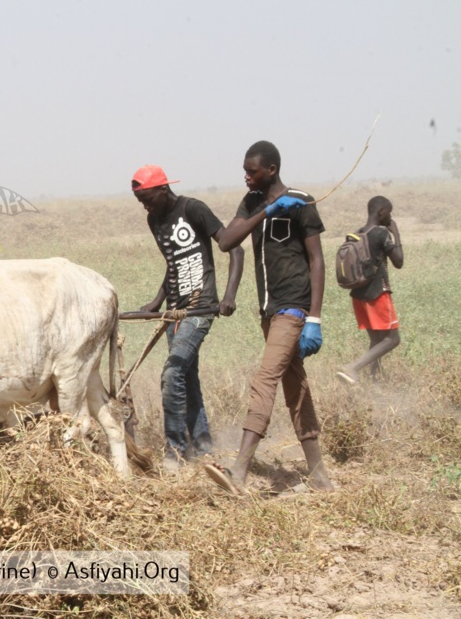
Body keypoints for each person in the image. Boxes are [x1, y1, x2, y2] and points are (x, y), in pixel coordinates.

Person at [206, 140, 335, 494]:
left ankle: (239, 472)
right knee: (296, 387)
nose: (246, 176)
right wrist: (267, 210)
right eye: (245, 170)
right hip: (268, 310)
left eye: (252, 171)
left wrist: (314, 318)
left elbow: (317, 261)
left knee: (265, 379)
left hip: (293, 308)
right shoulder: (252, 203)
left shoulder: (302, 202)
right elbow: (227, 241)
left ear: (272, 170)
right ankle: (320, 476)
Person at [132, 165, 244, 472]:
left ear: (163, 190)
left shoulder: (193, 208)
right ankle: (204, 447)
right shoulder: (154, 219)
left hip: (200, 308)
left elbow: (235, 251)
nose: (145, 205)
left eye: (147, 198)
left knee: (172, 374)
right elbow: (174, 263)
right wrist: (157, 302)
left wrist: (229, 296)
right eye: (140, 200)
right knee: (187, 378)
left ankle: (176, 452)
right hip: (175, 312)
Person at [337, 196, 404, 383]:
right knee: (392, 339)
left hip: (358, 296)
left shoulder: (358, 234)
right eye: (389, 212)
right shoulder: (381, 234)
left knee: (376, 341)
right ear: (381, 212)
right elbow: (398, 262)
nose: (390, 217)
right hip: (378, 295)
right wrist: (396, 233)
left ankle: (375, 382)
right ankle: (352, 368)